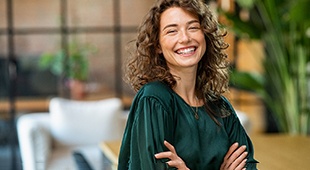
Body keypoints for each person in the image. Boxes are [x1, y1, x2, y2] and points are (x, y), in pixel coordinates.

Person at [118, 0, 258, 169]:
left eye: (193, 27)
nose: (185, 38)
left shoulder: (220, 107)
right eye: (172, 31)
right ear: (157, 46)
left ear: (205, 35)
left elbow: (248, 166)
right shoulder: (154, 99)